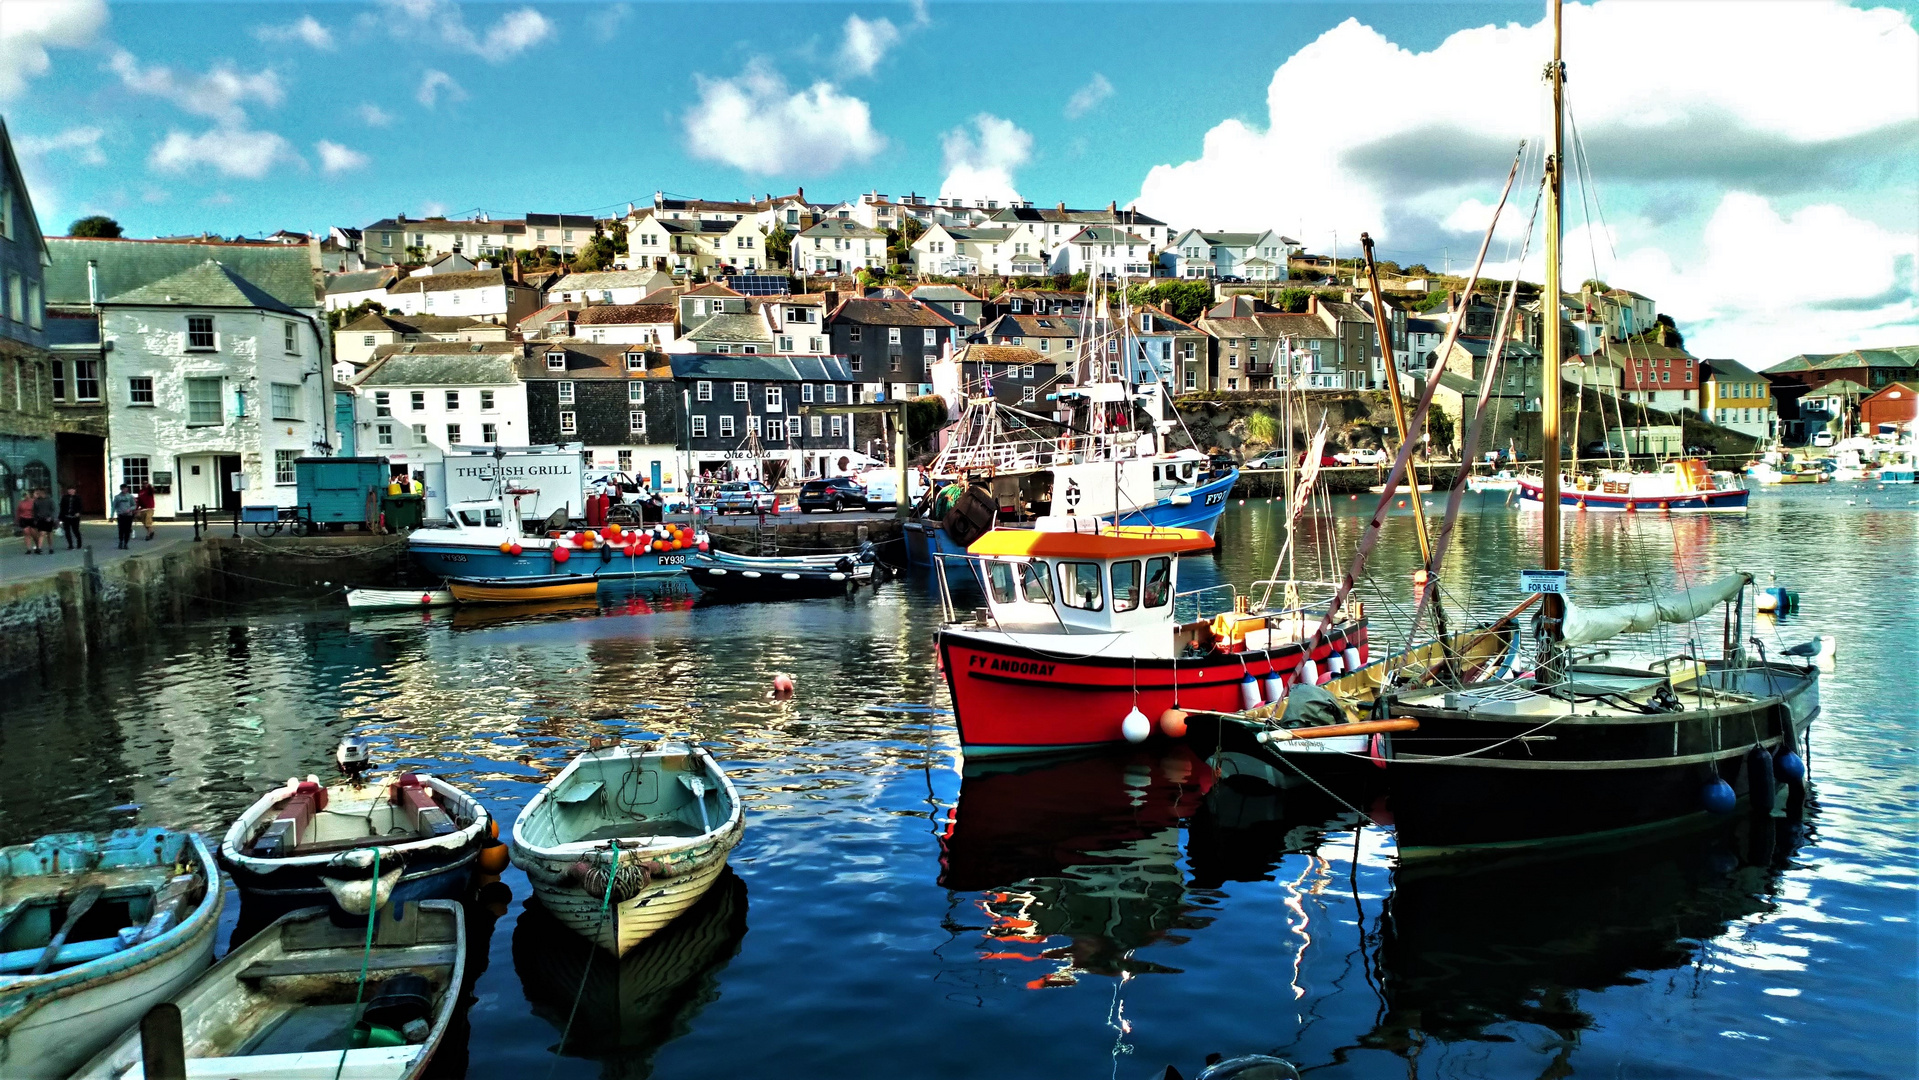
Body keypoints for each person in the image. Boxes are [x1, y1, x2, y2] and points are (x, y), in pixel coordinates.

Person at [110, 484, 138, 549]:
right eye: (123, 489)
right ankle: (120, 541)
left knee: (127, 530)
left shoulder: (130, 497)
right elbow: (114, 506)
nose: (124, 490)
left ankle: (126, 543)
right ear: (121, 489)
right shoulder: (117, 497)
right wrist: (112, 516)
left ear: (127, 489)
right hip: (121, 515)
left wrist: (130, 509)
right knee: (121, 529)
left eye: (125, 488)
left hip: (128, 515)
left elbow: (134, 505)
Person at [29, 489, 55, 554]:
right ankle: (39, 548)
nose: (38, 494)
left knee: (49, 533)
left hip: (48, 519)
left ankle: (51, 547)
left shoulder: (50, 500)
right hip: (40, 519)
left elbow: (53, 509)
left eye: (39, 493)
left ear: (43, 493)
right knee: (42, 533)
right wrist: (35, 519)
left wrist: (51, 517)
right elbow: (35, 511)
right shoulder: (37, 501)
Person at [58, 485, 84, 550]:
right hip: (66, 517)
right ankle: (70, 545)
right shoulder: (64, 497)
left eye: (72, 490)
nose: (70, 491)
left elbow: (81, 506)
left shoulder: (78, 497)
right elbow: (62, 507)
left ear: (74, 490)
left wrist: (79, 512)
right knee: (67, 531)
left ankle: (79, 544)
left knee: (75, 530)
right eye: (69, 490)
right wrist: (60, 517)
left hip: (74, 517)